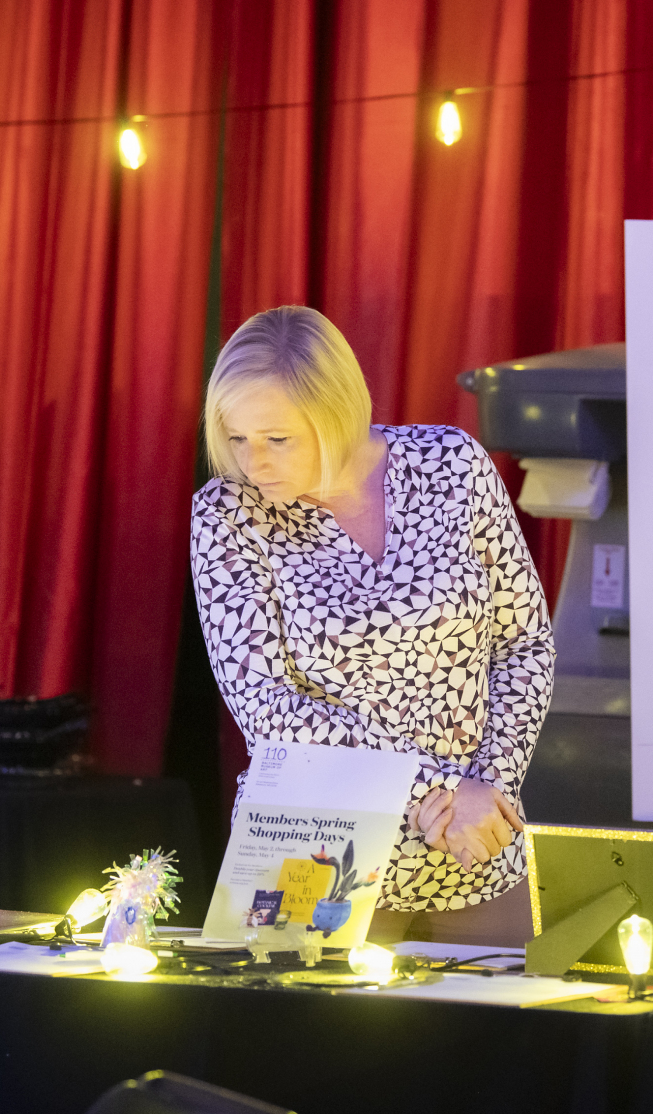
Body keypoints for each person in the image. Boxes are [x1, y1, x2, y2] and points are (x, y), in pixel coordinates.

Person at [191, 306, 555, 946]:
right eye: (237, 437)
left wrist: (492, 786)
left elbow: (522, 642)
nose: (253, 463)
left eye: (277, 439)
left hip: (474, 848)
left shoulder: (452, 465)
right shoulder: (227, 514)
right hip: (313, 853)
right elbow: (267, 705)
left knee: (511, 1011)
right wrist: (445, 791)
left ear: (336, 414)